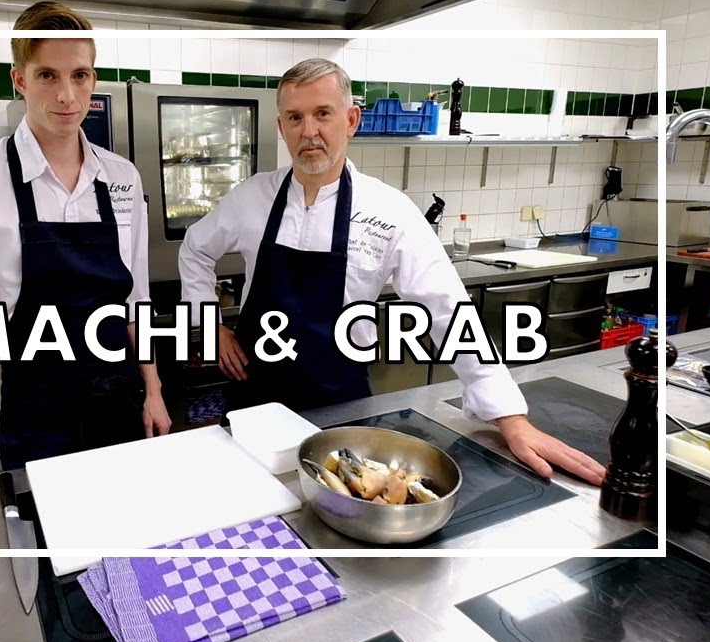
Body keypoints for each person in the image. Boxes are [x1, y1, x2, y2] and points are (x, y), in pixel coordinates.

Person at [178, 58, 605, 485]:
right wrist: (208, 324)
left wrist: (510, 418)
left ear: (350, 120)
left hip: (339, 405)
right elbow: (195, 250)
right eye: (295, 117)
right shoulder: (251, 198)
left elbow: (448, 309)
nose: (309, 131)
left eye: (322, 114)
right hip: (254, 400)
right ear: (281, 126)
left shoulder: (388, 210)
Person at [0, 2, 171, 515]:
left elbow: (134, 300)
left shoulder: (122, 177)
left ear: (93, 79)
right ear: (20, 79)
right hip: (38, 412)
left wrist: (153, 388)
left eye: (80, 75)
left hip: (120, 406)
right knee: (50, 560)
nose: (67, 95)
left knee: (130, 537)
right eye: (47, 75)